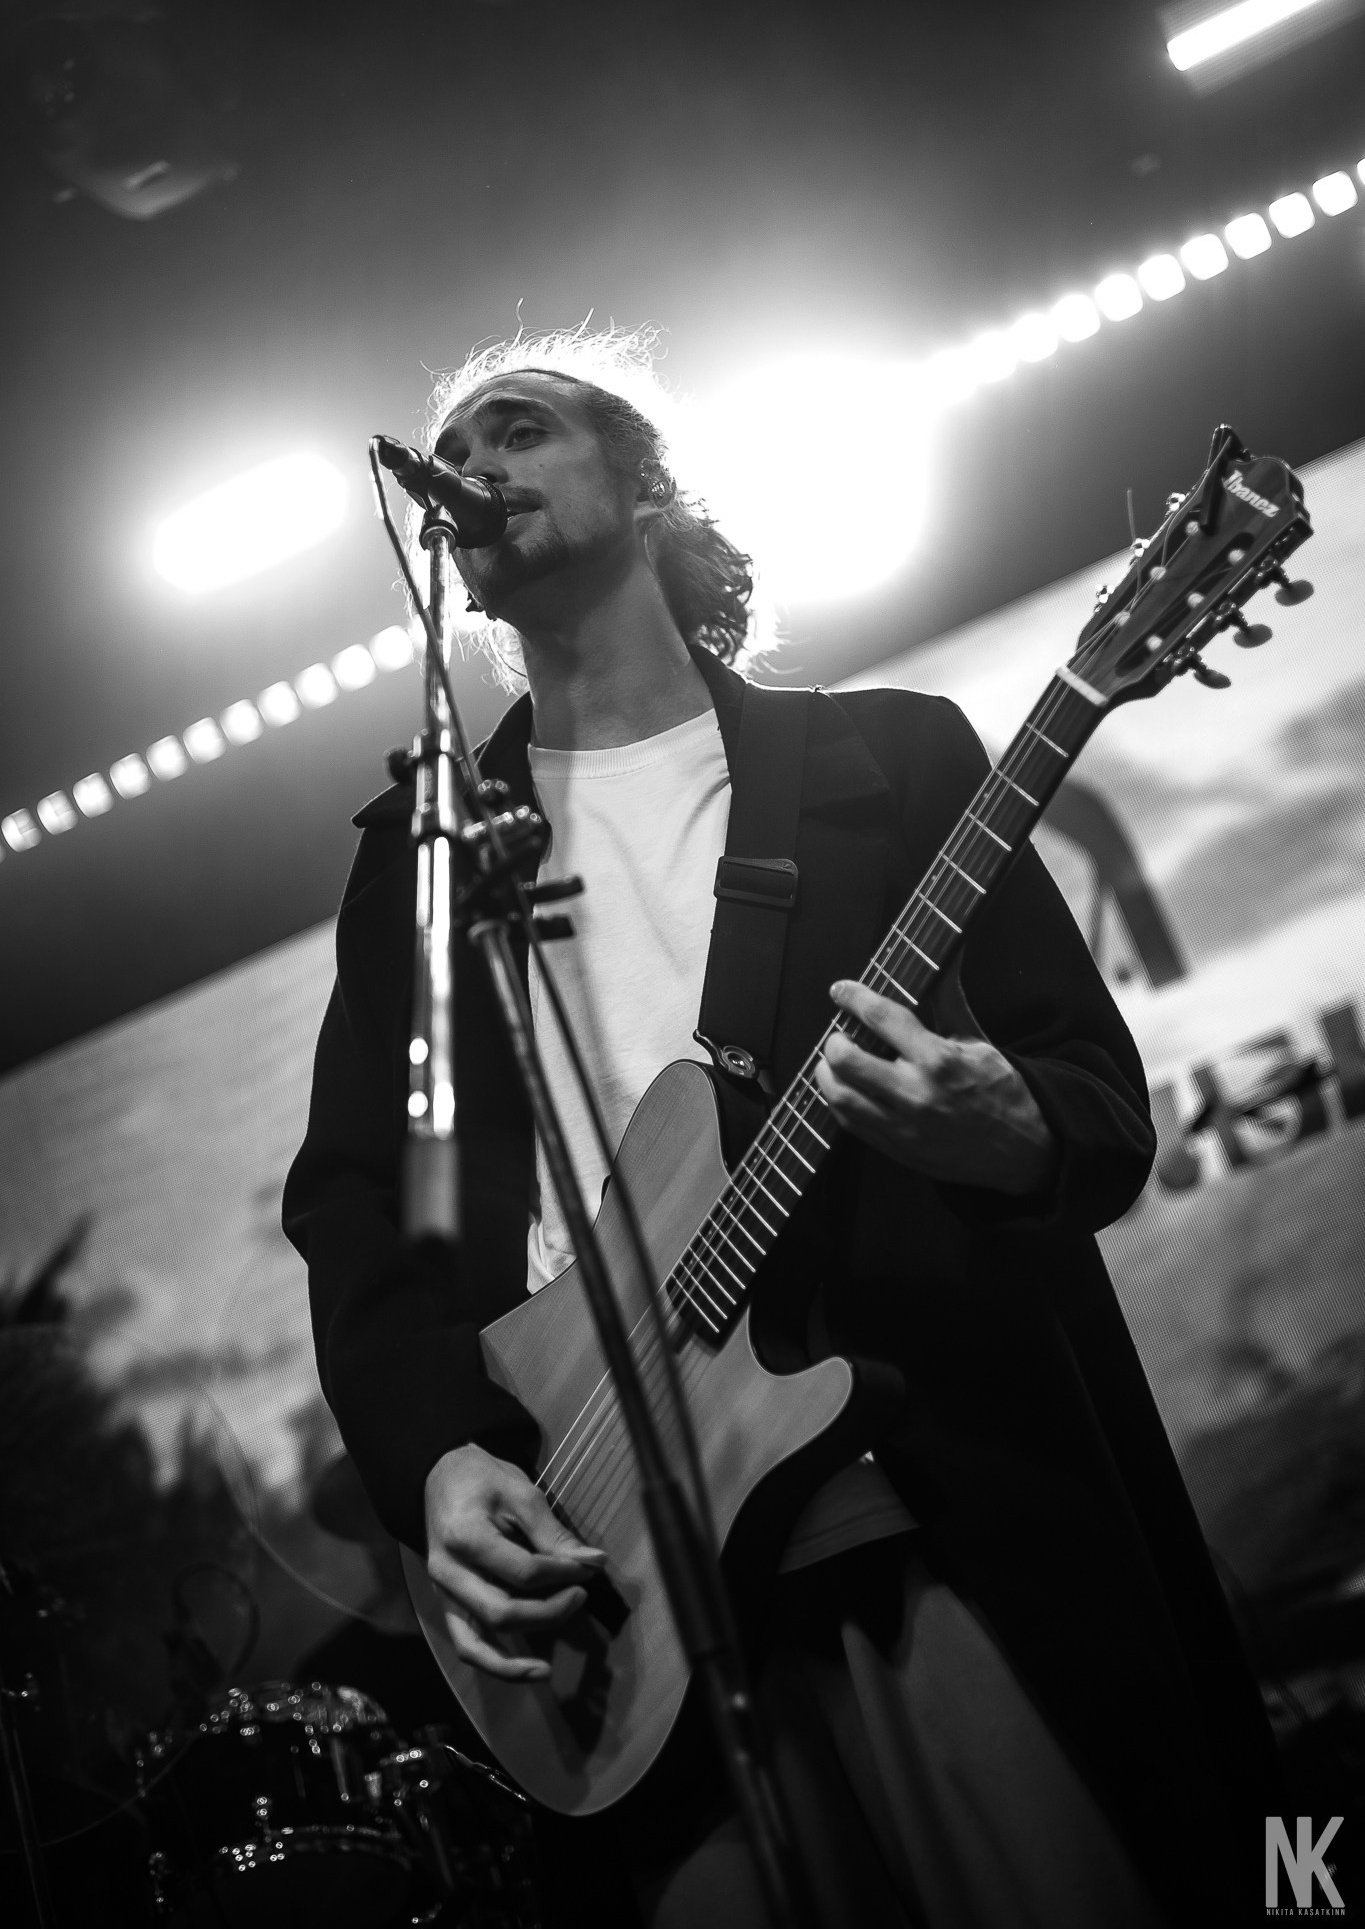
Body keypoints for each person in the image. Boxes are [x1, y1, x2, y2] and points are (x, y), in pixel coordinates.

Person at [283, 328, 1277, 1928]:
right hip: (614, 1580)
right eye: (450, 453)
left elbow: (1088, 1101)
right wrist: (440, 1463)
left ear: (646, 485)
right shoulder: (422, 852)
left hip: (921, 1491)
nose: (467, 469)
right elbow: (361, 1209)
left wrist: (1000, 1123)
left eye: (517, 430)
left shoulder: (890, 757)